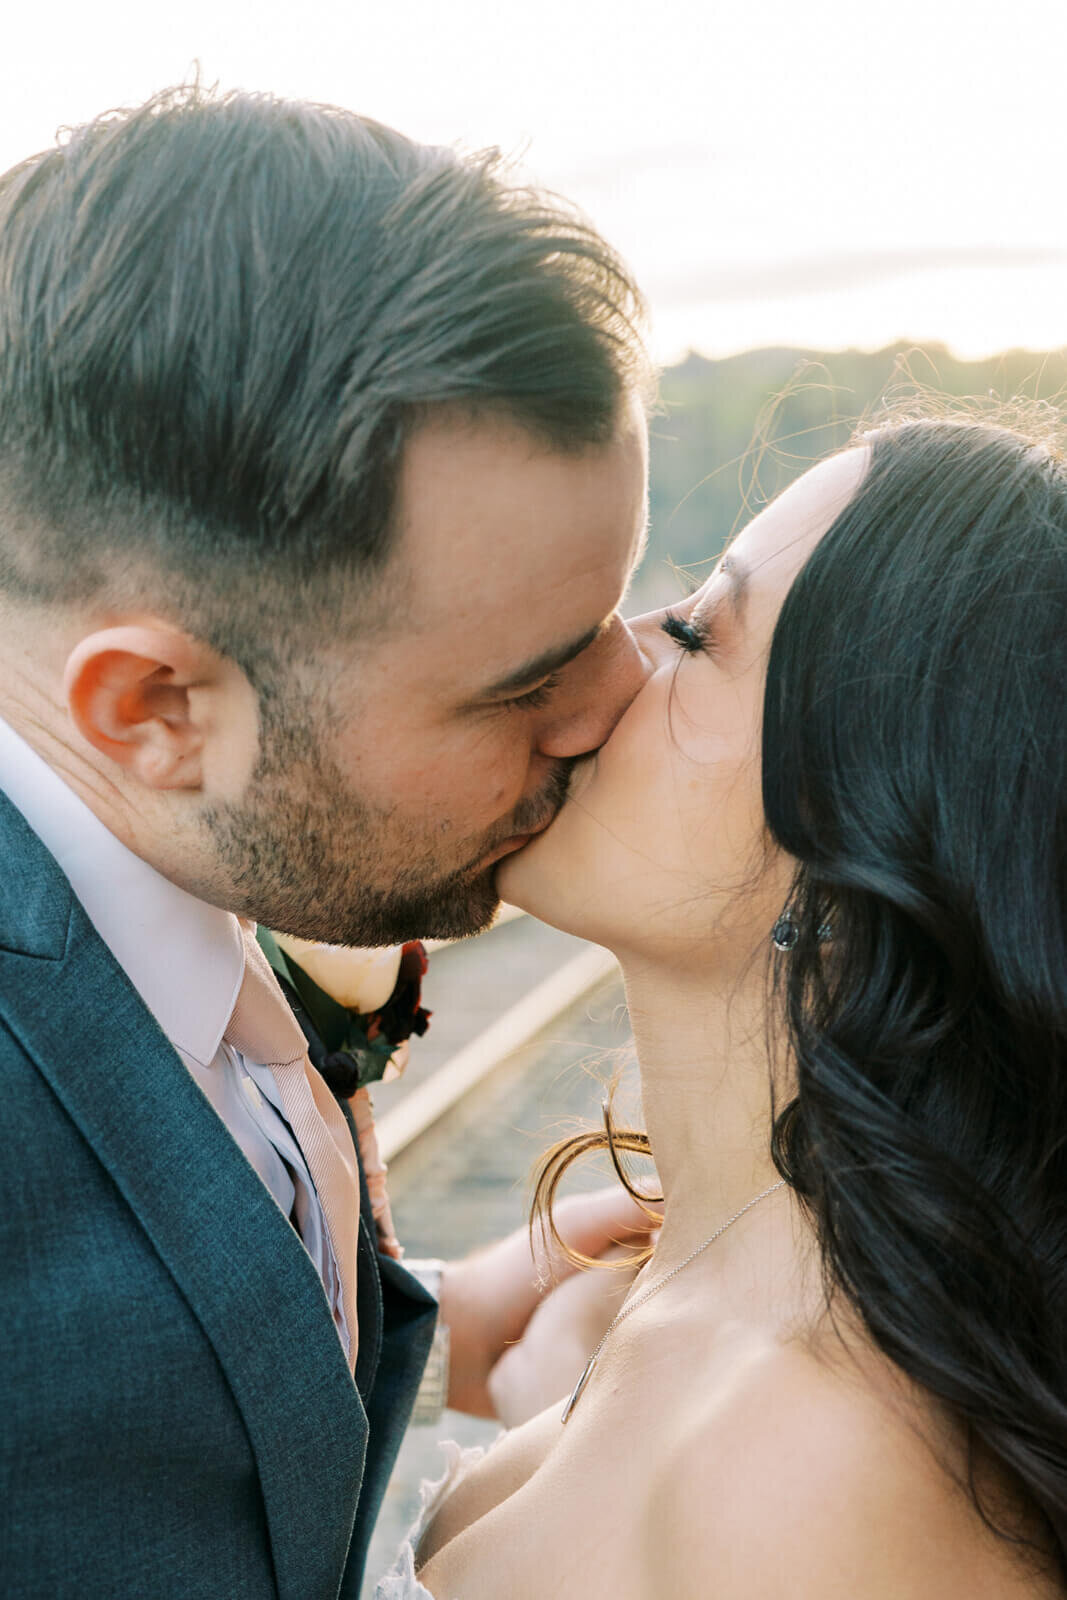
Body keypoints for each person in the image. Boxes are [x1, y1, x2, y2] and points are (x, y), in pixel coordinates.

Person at [0, 85, 656, 1597]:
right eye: (525, 679)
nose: (620, 694)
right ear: (158, 706)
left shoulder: (187, 854)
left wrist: (441, 1315)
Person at [377, 413, 1067, 1598]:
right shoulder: (681, 1314)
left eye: (695, 633)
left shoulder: (821, 1489)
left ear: (867, 832)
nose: (614, 660)